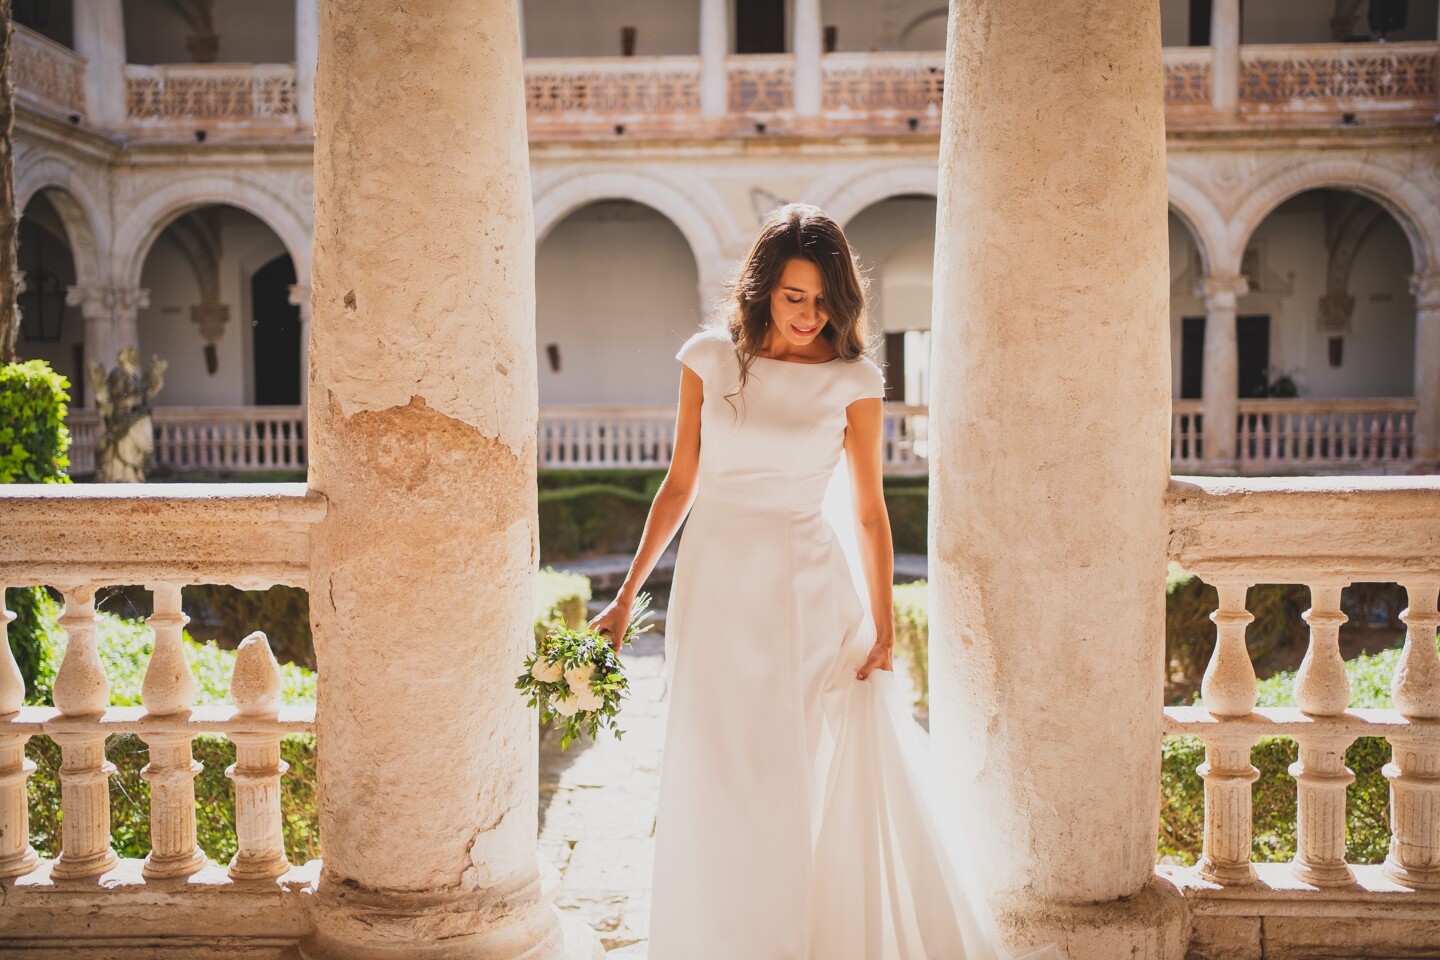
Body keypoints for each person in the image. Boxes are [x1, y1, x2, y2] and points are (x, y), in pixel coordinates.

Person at [588, 203, 1061, 960]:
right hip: (711, 593)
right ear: (763, 291)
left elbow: (871, 514)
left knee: (788, 774)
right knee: (712, 769)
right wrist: (624, 598)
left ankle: (793, 939)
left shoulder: (854, 379)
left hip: (804, 595)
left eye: (822, 300)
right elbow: (680, 485)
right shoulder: (708, 359)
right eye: (792, 297)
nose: (809, 316)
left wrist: (881, 626)